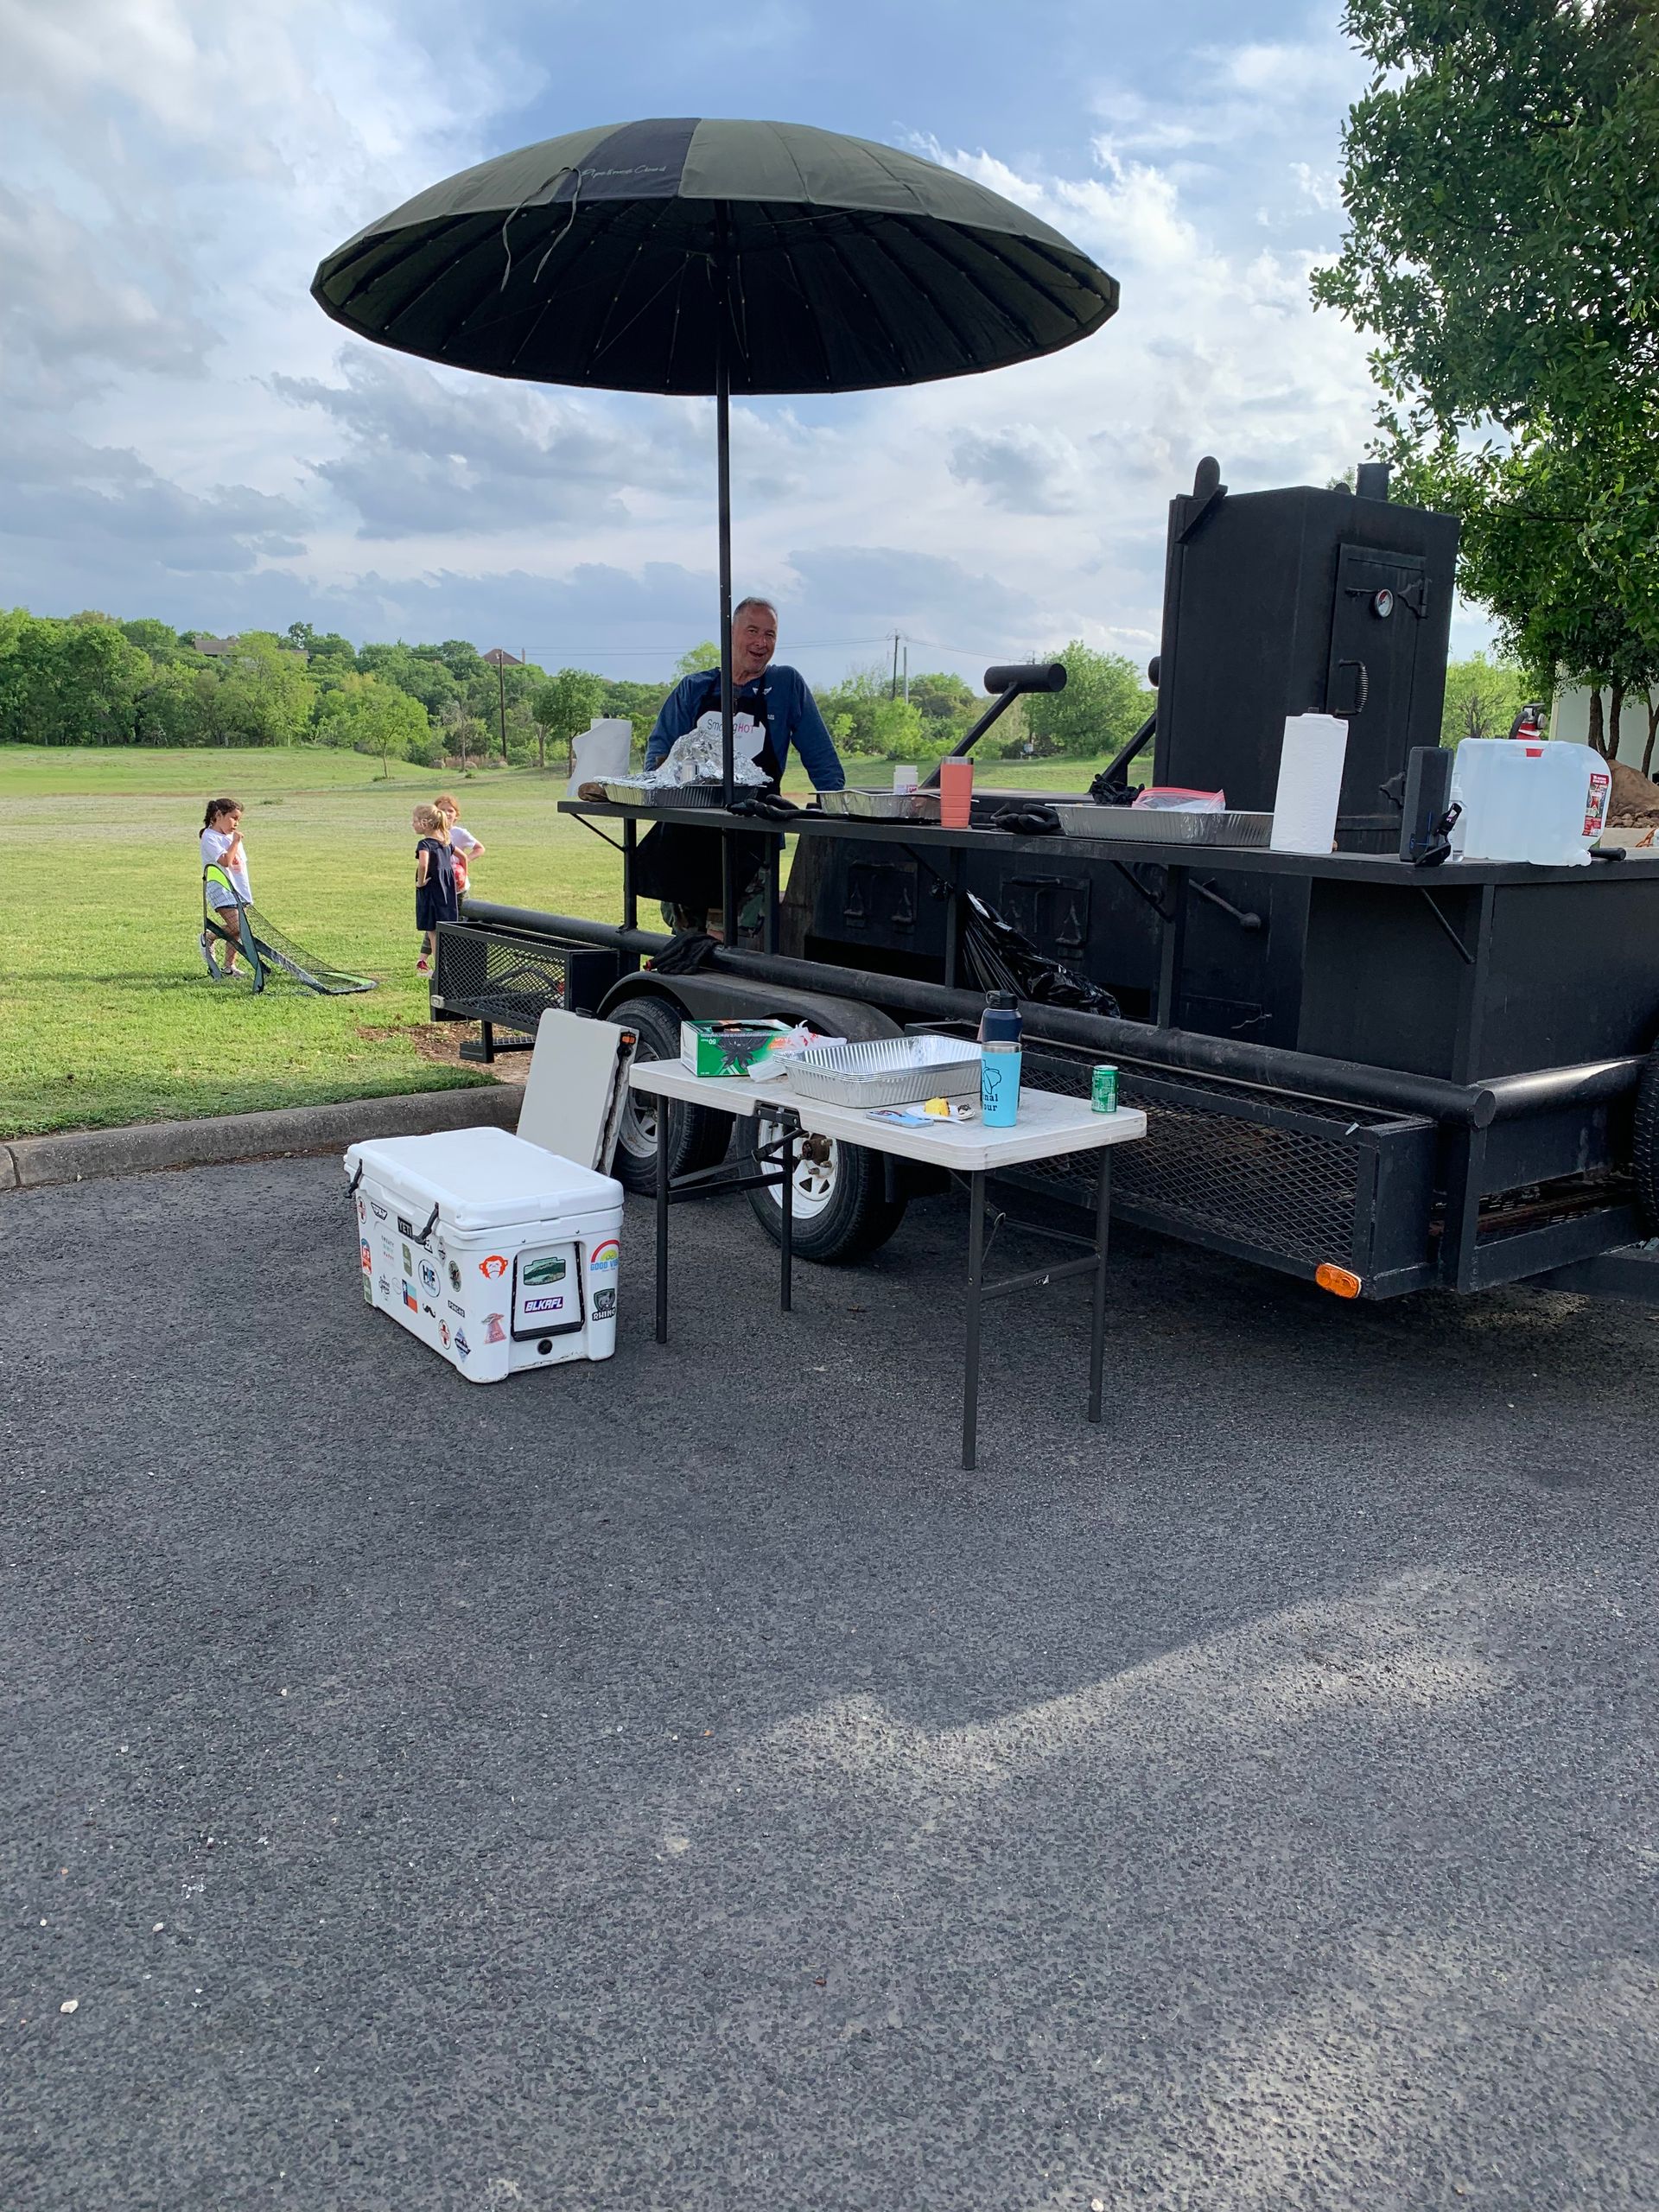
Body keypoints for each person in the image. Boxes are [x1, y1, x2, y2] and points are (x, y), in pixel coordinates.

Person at [635, 597, 846, 935]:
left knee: (738, 946)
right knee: (688, 945)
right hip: (689, 836)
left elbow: (823, 762)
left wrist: (834, 811)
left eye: (771, 634)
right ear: (730, 633)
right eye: (752, 631)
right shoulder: (695, 688)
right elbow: (658, 757)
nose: (762, 643)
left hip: (753, 838)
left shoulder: (787, 686)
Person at [199, 797, 251, 978]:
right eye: (233, 818)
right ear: (218, 815)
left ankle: (229, 967)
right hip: (221, 890)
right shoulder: (209, 836)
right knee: (238, 927)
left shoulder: (231, 836)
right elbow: (225, 861)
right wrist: (235, 842)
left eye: (239, 820)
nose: (236, 823)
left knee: (237, 930)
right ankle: (209, 937)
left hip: (238, 889)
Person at [412, 803, 456, 975]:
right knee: (444, 930)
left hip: (430, 891)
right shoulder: (446, 843)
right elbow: (461, 857)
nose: (412, 824)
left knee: (432, 932)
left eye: (414, 821)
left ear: (425, 823)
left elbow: (423, 864)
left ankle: (440, 971)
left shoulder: (425, 844)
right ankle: (447, 967)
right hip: (446, 891)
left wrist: (421, 882)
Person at [433, 793, 485, 897]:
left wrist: (463, 861)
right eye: (442, 810)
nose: (446, 813)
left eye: (451, 810)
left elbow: (480, 848)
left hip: (457, 882)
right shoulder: (432, 833)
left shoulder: (460, 833)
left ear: (456, 815)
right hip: (439, 881)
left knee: (459, 910)